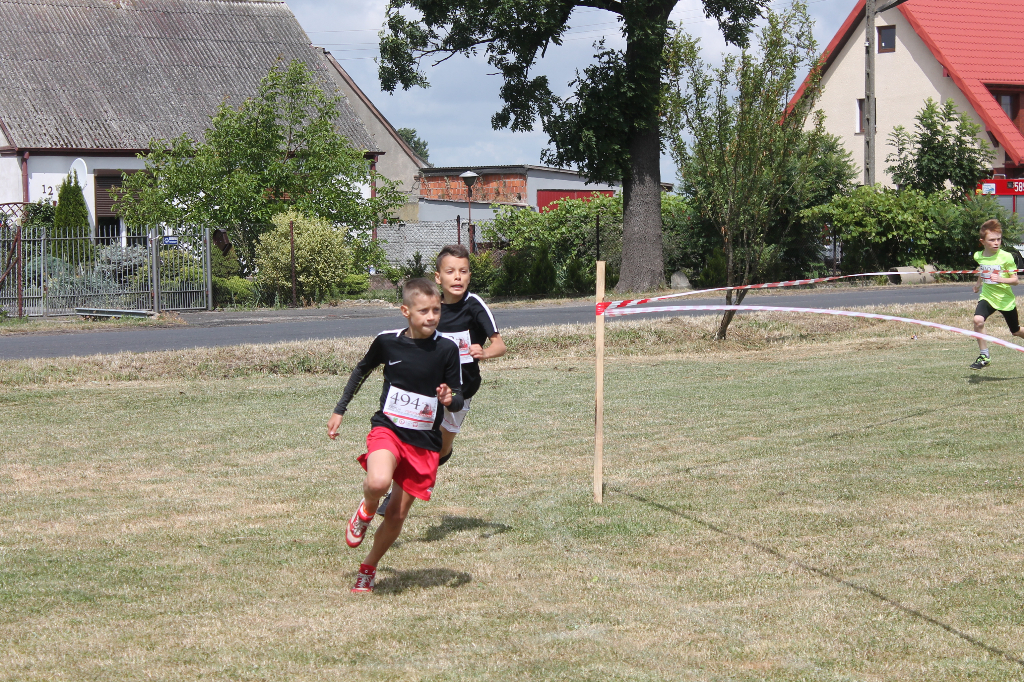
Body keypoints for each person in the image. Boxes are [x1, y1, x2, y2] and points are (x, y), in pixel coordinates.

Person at [327, 278, 464, 593]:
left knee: (398, 514)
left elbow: (457, 395)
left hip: (424, 443)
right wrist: (340, 409)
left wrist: (448, 399)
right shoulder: (387, 342)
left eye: (436, 310)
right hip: (388, 429)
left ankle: (369, 567)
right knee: (377, 483)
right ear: (406, 311)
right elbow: (361, 370)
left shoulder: (446, 349)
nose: (431, 316)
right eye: (424, 310)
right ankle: (366, 509)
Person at [377, 244, 505, 515]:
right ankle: (396, 490)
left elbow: (500, 345)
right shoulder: (431, 308)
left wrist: (485, 352)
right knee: (416, 439)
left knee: (442, 446)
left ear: (470, 276)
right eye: (450, 271)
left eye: (463, 271)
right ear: (438, 277)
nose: (457, 277)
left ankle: (425, 472)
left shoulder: (475, 306)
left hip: (463, 390)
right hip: (429, 391)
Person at [969, 219, 1024, 370]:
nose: (996, 243)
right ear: (983, 241)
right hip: (988, 297)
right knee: (978, 320)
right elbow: (982, 269)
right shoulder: (979, 255)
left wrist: (1000, 279)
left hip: (1005, 300)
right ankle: (984, 356)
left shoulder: (1006, 257)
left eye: (998, 239)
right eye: (992, 240)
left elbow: (1015, 281)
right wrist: (978, 284)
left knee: (1016, 331)